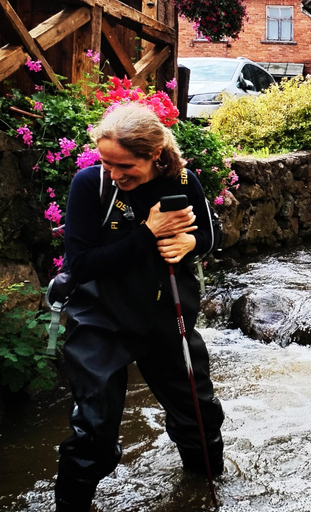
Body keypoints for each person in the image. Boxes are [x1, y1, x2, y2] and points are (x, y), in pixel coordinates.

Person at [55, 103, 224, 511]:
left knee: (198, 416)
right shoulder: (89, 185)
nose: (114, 174)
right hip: (100, 318)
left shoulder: (184, 181)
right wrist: (149, 233)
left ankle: (202, 494)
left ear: (154, 155)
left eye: (125, 165)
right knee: (93, 430)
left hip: (166, 314)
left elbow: (211, 233)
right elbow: (81, 265)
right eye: (107, 163)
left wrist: (191, 243)